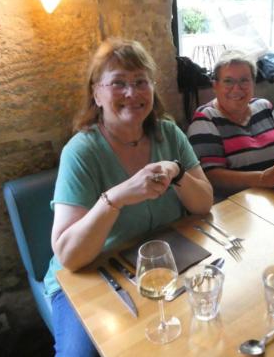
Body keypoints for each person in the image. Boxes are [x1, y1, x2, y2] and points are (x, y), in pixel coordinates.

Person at [45, 38, 213, 356]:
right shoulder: (81, 152)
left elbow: (203, 204)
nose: (131, 93)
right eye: (118, 83)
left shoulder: (169, 133)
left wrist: (177, 172)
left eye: (140, 82)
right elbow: (69, 255)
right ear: (96, 92)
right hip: (91, 276)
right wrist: (117, 197)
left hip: (165, 261)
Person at [187, 50, 274, 198]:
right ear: (215, 86)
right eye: (228, 81)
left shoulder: (263, 107)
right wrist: (262, 178)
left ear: (253, 83)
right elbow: (211, 176)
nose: (237, 88)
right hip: (234, 208)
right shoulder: (205, 119)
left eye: (244, 80)